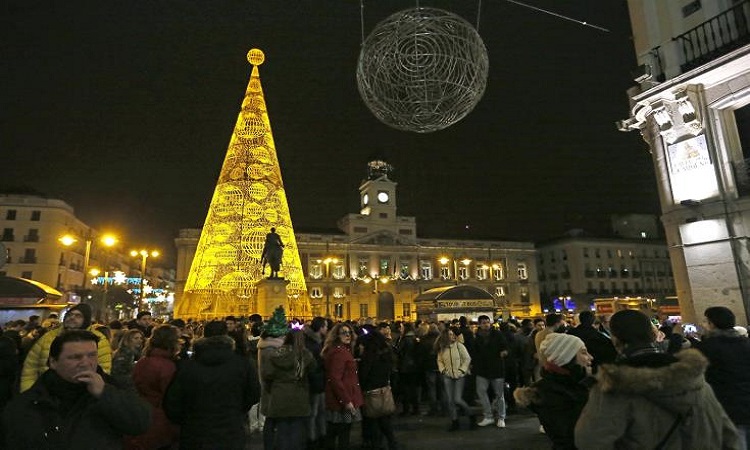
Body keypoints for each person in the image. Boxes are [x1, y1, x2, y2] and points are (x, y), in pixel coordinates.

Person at [575, 309, 740, 449]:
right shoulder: (693, 377)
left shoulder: (613, 386)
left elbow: (589, 442)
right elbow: (728, 434)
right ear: (653, 335)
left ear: (615, 339)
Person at [3, 330, 150, 448]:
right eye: (75, 357)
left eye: (92, 355)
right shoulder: (33, 400)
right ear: (53, 362)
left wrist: (105, 393)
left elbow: (140, 423)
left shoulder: (114, 386)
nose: (86, 363)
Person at [164, 320, 260, 450]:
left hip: (195, 431)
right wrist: (237, 409)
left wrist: (187, 419)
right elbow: (253, 393)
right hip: (230, 428)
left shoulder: (188, 366)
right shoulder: (242, 364)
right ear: (226, 336)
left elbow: (173, 400)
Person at [514, 333, 593, 450]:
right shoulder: (549, 392)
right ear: (567, 357)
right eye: (583, 352)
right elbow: (568, 436)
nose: (590, 357)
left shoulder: (577, 384)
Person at [20, 303, 112, 392]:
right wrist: (29, 391)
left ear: (86, 320)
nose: (72, 317)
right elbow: (30, 368)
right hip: (44, 395)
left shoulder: (99, 340)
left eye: (78, 316)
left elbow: (103, 372)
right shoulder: (48, 336)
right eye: (70, 315)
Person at [696, 306, 750, 449]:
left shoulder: (707, 348)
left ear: (712, 324)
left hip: (726, 407)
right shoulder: (746, 343)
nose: (703, 324)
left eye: (705, 321)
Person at [127, 324, 180, 450]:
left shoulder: (142, 362)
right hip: (161, 421)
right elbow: (170, 396)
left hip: (139, 416)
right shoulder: (168, 366)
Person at [263, 329, 316, 450]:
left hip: (279, 395)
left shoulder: (275, 354)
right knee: (297, 432)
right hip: (299, 395)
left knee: (282, 431)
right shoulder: (304, 355)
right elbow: (313, 371)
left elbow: (267, 375)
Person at [323, 323, 363, 449]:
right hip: (343, 400)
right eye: (344, 333)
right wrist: (346, 401)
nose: (347, 335)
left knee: (339, 429)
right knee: (342, 430)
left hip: (344, 397)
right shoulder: (339, 352)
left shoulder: (342, 350)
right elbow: (335, 378)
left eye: (349, 332)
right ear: (337, 336)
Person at [359, 330, 400, 450]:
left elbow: (364, 375)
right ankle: (392, 443)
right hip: (384, 390)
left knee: (373, 421)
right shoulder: (385, 355)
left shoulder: (369, 357)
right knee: (385, 420)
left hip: (371, 392)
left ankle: (377, 444)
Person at [258, 307, 290, 449]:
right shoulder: (271, 350)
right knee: (274, 424)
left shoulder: (266, 346)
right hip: (275, 391)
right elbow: (271, 372)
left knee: (271, 423)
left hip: (271, 391)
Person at [473, 315, 509, 428]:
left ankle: (501, 417)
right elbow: (474, 352)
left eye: (487, 322)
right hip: (482, 369)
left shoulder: (497, 334)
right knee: (481, 392)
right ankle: (488, 416)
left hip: (496, 368)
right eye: (483, 323)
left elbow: (506, 347)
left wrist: (504, 352)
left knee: (499, 394)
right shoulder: (477, 337)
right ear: (479, 324)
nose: (486, 324)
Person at [436, 327, 473, 431]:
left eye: (453, 334)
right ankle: (454, 421)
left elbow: (467, 359)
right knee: (450, 401)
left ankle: (471, 415)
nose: (453, 336)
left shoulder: (459, 346)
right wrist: (444, 371)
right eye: (450, 334)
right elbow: (439, 361)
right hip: (447, 376)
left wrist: (461, 371)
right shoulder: (442, 348)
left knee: (457, 399)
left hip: (459, 376)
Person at [303, 316, 328, 449]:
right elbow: (312, 365)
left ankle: (321, 436)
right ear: (320, 328)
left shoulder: (319, 341)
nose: (327, 329)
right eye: (325, 326)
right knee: (313, 413)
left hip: (320, 381)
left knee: (321, 412)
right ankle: (312, 439)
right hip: (315, 382)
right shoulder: (311, 343)